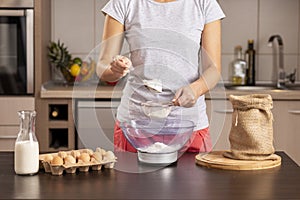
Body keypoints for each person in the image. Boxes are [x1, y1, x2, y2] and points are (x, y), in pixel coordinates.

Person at [96, 0, 225, 153]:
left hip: (189, 126)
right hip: (135, 127)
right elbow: (103, 65)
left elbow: (213, 69)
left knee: (195, 177)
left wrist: (196, 89)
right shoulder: (125, 3)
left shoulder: (204, 4)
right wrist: (114, 69)